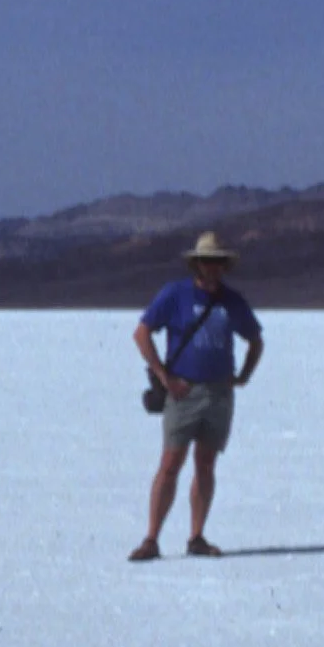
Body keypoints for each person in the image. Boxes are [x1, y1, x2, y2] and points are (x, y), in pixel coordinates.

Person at [129, 233, 263, 560]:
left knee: (206, 463)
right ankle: (151, 539)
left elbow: (255, 340)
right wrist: (164, 376)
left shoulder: (232, 301)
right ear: (197, 264)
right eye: (207, 261)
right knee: (170, 463)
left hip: (219, 394)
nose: (212, 268)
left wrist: (243, 377)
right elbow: (142, 333)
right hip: (183, 392)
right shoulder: (176, 295)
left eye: (218, 262)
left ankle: (196, 536)